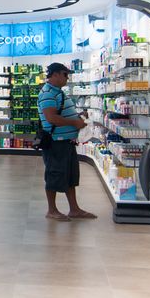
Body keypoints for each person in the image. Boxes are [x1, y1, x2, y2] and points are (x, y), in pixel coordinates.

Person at [38, 63, 97, 221]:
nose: (67, 77)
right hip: (56, 142)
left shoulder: (58, 92)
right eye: (65, 74)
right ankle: (52, 210)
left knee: (70, 176)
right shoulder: (47, 93)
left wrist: (78, 116)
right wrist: (74, 123)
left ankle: (74, 209)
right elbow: (52, 118)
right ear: (56, 74)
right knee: (54, 175)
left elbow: (62, 113)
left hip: (67, 142)